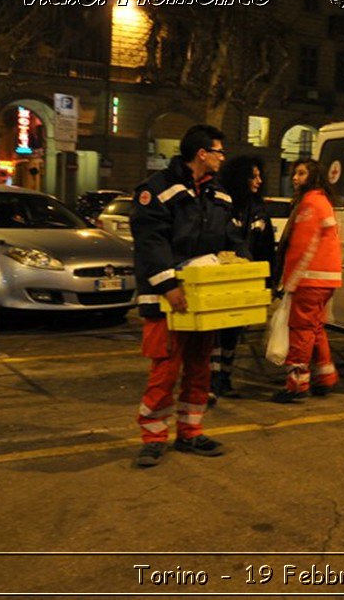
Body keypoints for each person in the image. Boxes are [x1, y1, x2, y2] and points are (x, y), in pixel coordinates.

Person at [130, 125, 244, 467]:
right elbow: (151, 242)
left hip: (202, 299)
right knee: (165, 370)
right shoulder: (157, 190)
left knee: (199, 368)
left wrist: (243, 270)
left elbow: (231, 240)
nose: (223, 157)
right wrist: (169, 285)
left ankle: (190, 432)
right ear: (202, 154)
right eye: (219, 151)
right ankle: (153, 437)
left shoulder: (219, 195)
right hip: (165, 299)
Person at [272, 159, 342, 403]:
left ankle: (297, 384)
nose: (295, 178)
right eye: (294, 173)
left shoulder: (310, 204)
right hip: (325, 279)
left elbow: (303, 247)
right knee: (315, 328)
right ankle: (325, 377)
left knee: (301, 330)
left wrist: (290, 281)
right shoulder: (323, 201)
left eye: (301, 173)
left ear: (312, 177)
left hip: (310, 279)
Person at [208, 155, 276, 405]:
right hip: (225, 278)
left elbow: (267, 246)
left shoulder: (258, 208)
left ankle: (225, 379)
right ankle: (212, 383)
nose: (258, 181)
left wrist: (268, 280)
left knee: (233, 333)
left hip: (248, 279)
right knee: (217, 331)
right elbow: (225, 238)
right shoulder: (224, 204)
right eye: (253, 176)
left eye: (260, 176)